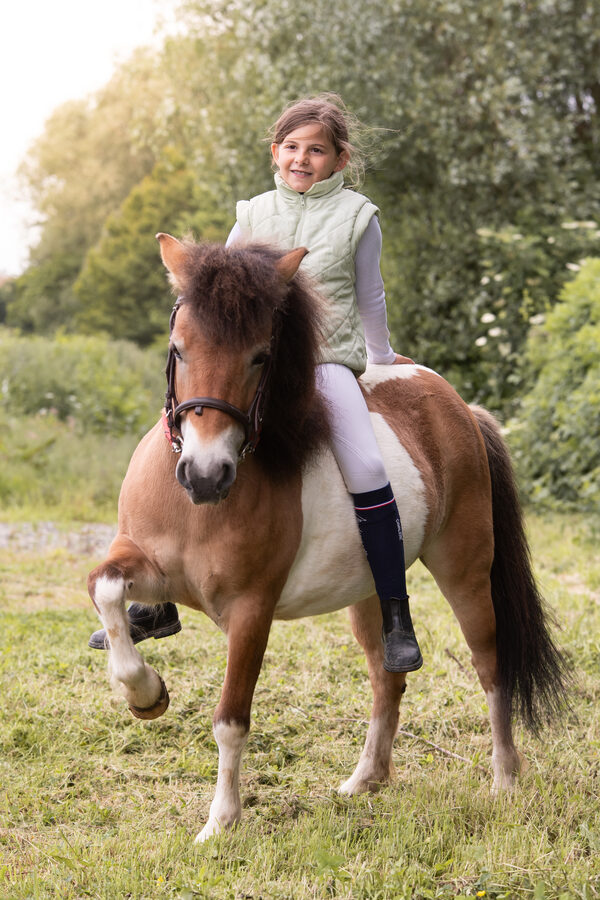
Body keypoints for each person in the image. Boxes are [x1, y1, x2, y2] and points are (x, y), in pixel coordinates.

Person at [89, 93, 422, 673]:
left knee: (368, 468)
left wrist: (380, 355)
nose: (303, 158)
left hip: (326, 364)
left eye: (316, 150)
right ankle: (156, 600)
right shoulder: (254, 212)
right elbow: (220, 292)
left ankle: (395, 609)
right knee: (183, 430)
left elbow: (370, 294)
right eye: (292, 147)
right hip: (252, 364)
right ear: (276, 153)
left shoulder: (358, 218)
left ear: (339, 160)